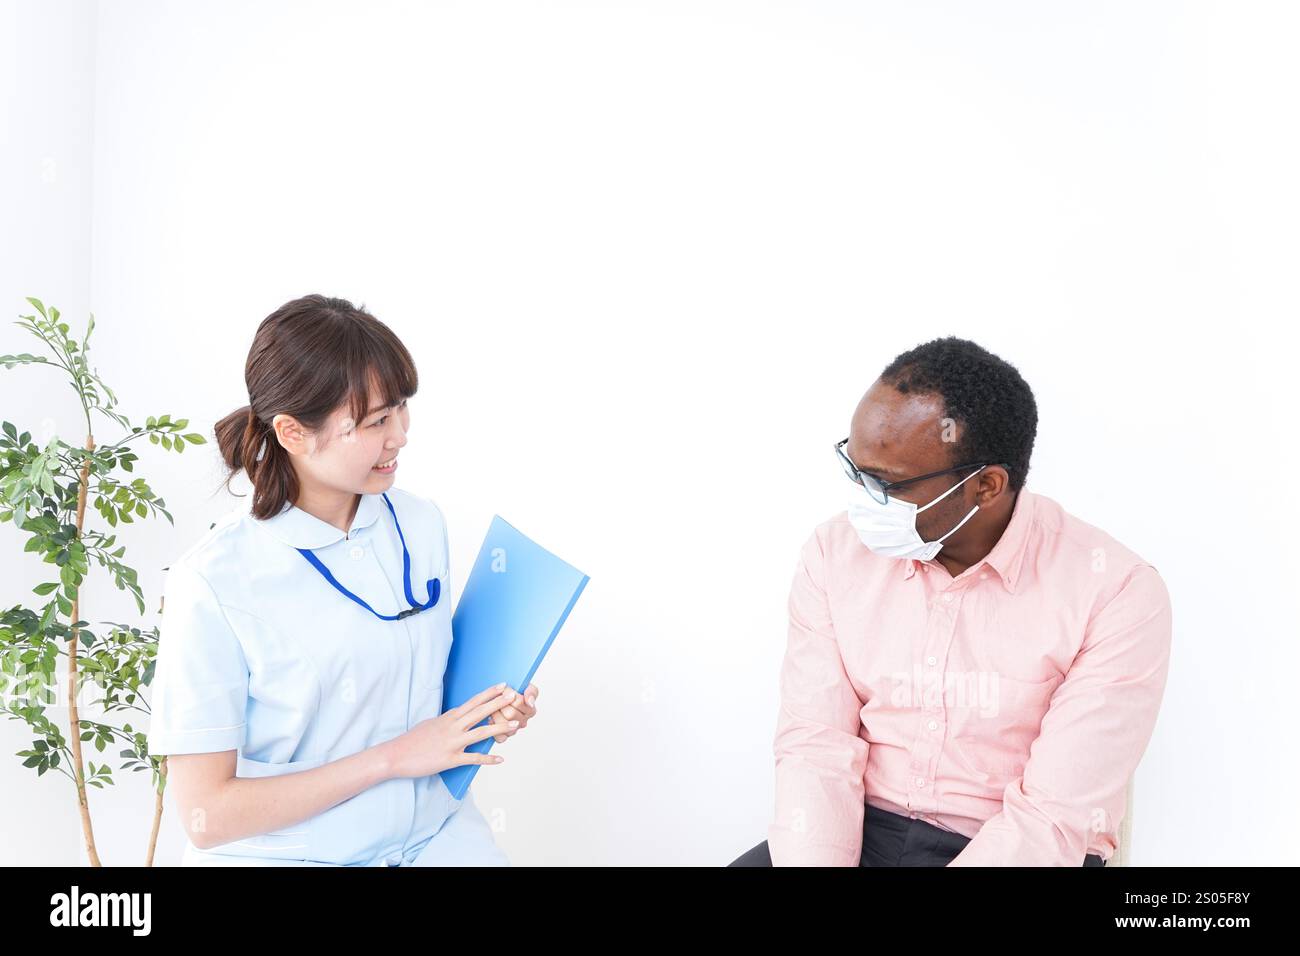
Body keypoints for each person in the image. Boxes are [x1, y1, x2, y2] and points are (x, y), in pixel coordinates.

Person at [730, 336, 1172, 866]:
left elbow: (1052, 816)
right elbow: (815, 746)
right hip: (860, 830)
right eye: (854, 468)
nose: (860, 499)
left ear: (985, 486)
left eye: (885, 484)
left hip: (1007, 845)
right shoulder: (834, 553)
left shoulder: (1117, 591)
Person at [148, 293, 536, 866]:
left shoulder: (420, 523)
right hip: (296, 856)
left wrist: (488, 713)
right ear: (292, 432)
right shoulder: (213, 581)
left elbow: (424, 693)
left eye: (401, 408)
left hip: (436, 837)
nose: (399, 435)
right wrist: (392, 758)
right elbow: (208, 816)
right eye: (376, 421)